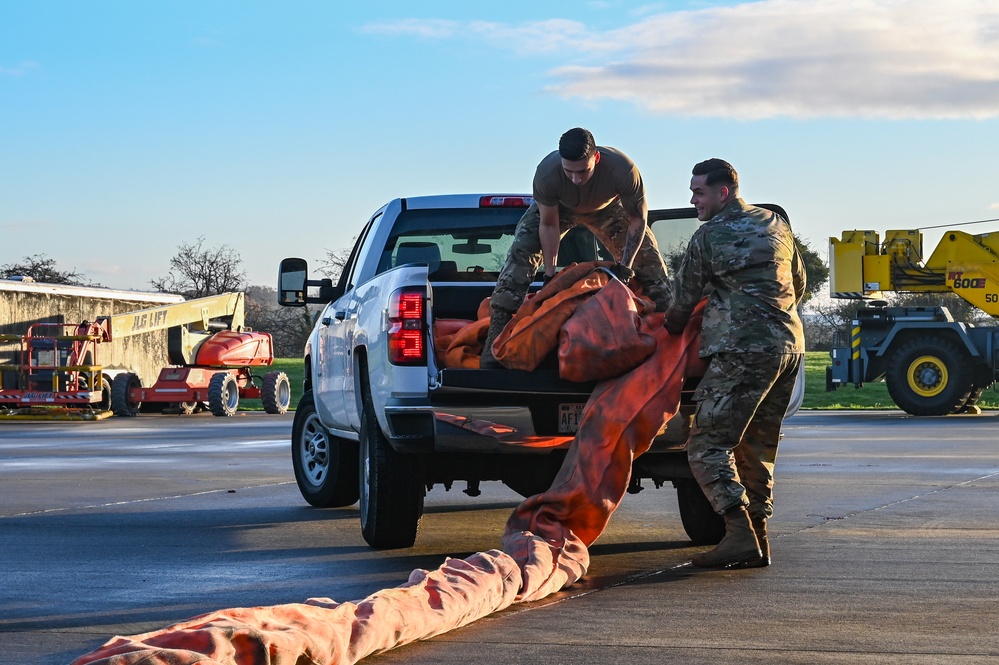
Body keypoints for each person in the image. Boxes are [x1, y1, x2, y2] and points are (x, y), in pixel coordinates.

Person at [664, 158, 805, 569]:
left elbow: (683, 299)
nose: (693, 201)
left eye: (699, 192)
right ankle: (759, 538)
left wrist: (665, 330)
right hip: (789, 349)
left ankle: (738, 533)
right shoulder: (776, 225)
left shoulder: (709, 236)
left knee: (706, 445)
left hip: (743, 351)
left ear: (723, 192)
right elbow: (799, 284)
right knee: (756, 448)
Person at [480, 127, 672, 368]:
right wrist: (549, 273)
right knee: (520, 254)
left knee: (652, 265)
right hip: (560, 209)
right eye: (569, 172)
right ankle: (494, 340)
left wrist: (626, 267)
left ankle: (670, 338)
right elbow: (549, 225)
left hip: (608, 210)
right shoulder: (547, 174)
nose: (576, 179)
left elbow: (637, 219)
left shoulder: (624, 170)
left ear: (596, 158)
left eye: (583, 171)